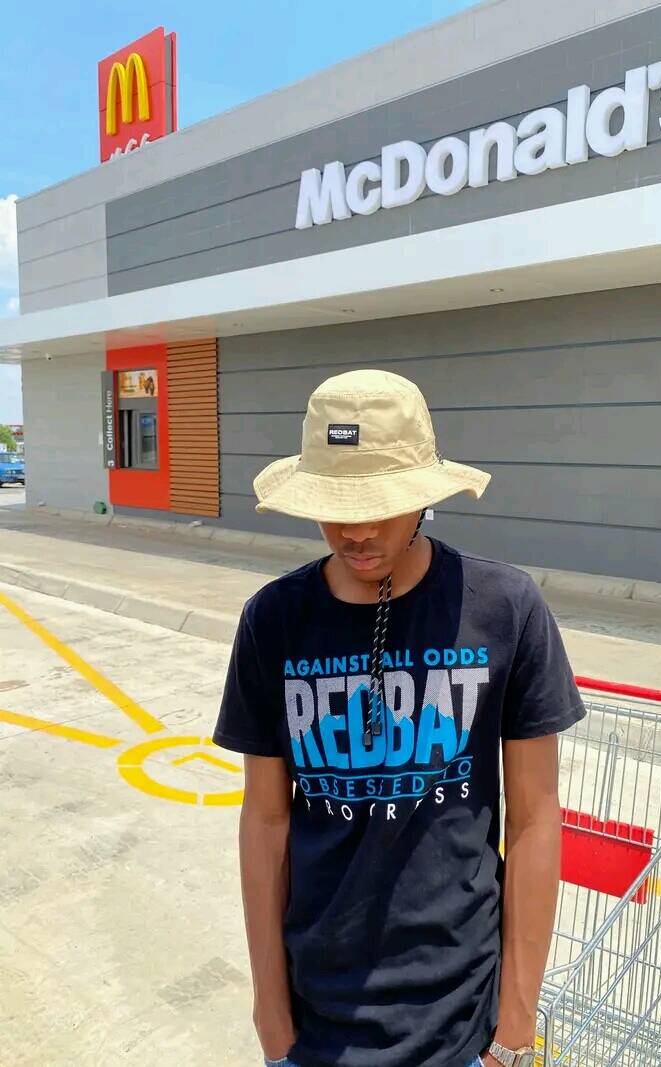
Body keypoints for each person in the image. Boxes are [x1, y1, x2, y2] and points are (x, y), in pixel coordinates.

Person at [213, 369, 586, 1067]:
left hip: (464, 1025)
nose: (356, 530)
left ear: (423, 496)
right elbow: (264, 820)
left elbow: (535, 819)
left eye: (379, 505)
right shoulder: (273, 620)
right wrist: (271, 1014)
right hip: (313, 1024)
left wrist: (515, 1023)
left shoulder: (504, 609)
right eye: (336, 505)